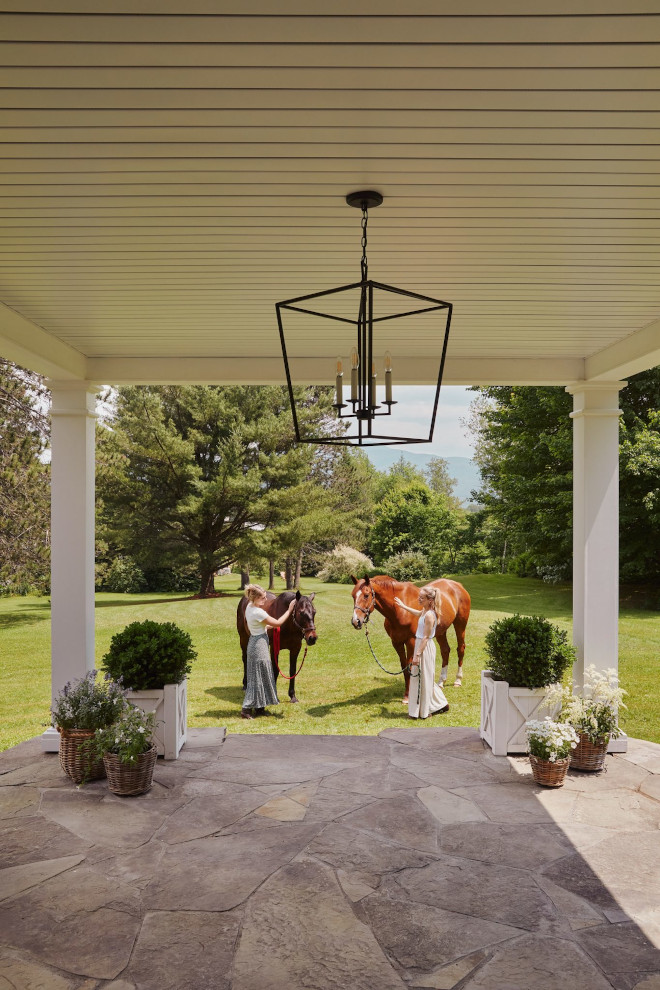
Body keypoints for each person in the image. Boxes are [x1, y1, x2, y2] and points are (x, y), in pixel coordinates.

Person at [393, 586, 450, 719]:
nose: (418, 599)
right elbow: (418, 614)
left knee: (423, 678)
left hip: (425, 647)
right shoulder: (425, 611)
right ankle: (440, 704)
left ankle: (425, 711)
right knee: (423, 677)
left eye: (421, 598)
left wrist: (417, 655)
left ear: (430, 600)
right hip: (421, 645)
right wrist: (403, 606)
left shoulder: (430, 615)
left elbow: (426, 637)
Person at [241, 584, 295, 720]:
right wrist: (289, 610)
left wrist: (266, 626)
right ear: (255, 598)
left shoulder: (250, 607)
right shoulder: (258, 612)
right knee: (257, 678)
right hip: (259, 646)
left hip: (256, 642)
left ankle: (260, 708)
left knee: (260, 675)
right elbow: (278, 622)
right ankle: (246, 709)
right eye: (263, 598)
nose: (266, 600)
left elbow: (259, 624)